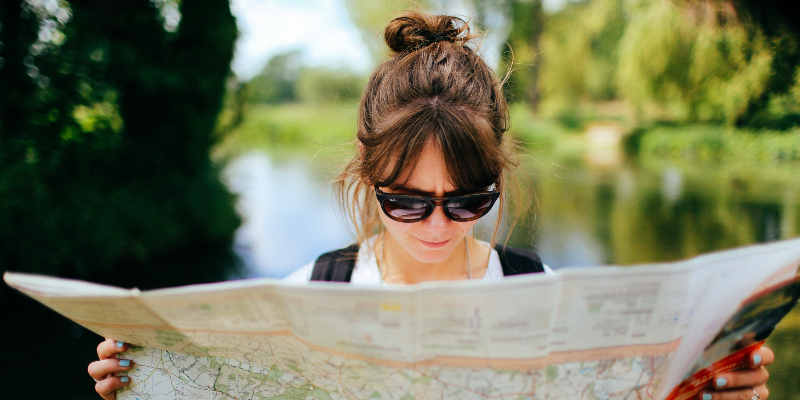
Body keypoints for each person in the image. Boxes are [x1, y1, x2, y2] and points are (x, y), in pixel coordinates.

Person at [88, 11, 773, 400]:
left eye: (468, 200)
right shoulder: (312, 294)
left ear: (500, 178)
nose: (440, 227)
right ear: (367, 176)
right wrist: (144, 381)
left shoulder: (544, 295)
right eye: (408, 203)